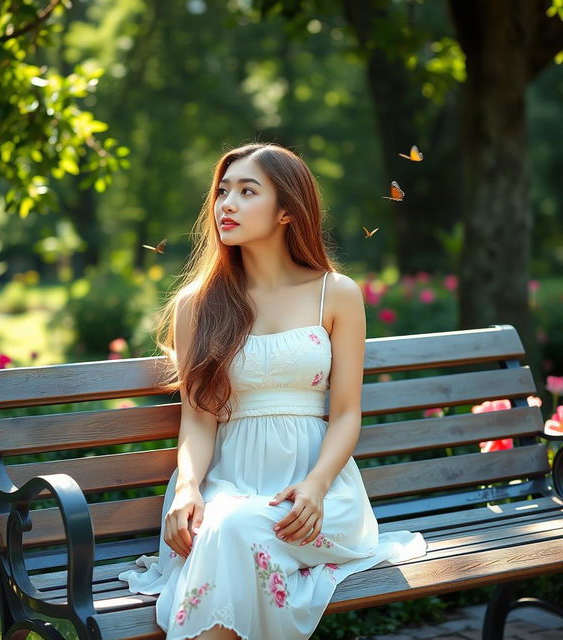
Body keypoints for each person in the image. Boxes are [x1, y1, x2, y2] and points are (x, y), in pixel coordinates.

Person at [118, 142, 427, 640]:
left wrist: (316, 486)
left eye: (246, 191)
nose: (227, 205)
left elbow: (346, 414)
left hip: (314, 494)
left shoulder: (335, 293)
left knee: (235, 533)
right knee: (228, 527)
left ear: (286, 210)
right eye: (222, 192)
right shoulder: (198, 304)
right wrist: (190, 488)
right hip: (226, 487)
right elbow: (198, 421)